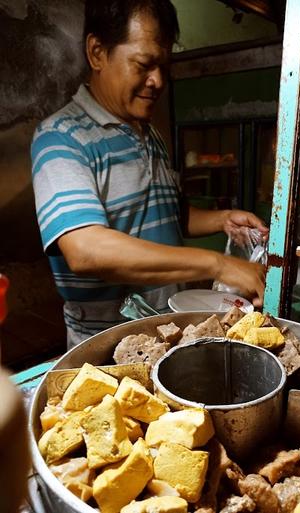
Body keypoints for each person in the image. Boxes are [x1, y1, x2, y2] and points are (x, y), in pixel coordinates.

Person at [31, 0, 268, 348]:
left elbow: (165, 213)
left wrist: (221, 220)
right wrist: (218, 264)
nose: (157, 81)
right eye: (144, 64)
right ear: (97, 52)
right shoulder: (60, 138)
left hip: (168, 334)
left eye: (163, 66)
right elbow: (86, 248)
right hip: (108, 348)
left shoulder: (149, 133)